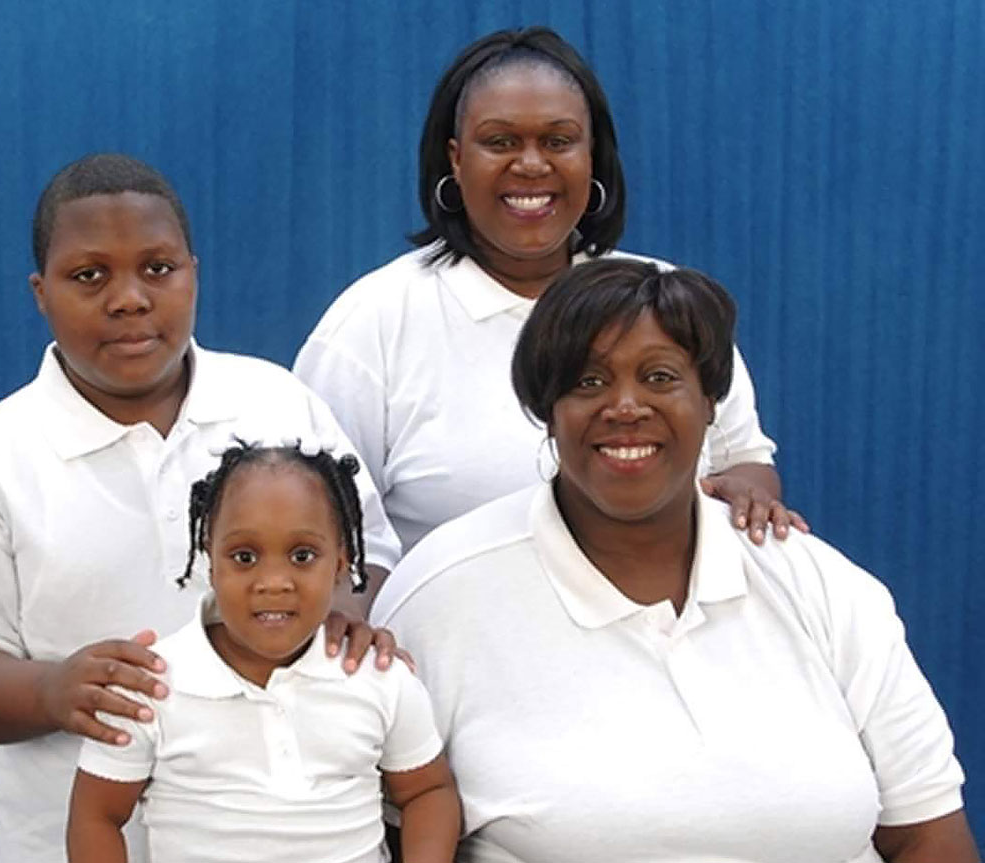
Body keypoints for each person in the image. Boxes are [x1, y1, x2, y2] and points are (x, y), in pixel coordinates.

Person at [370, 259, 976, 862]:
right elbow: (392, 832)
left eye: (660, 378)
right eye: (588, 382)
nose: (626, 406)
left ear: (712, 402)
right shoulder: (445, 595)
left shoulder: (823, 587)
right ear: (545, 409)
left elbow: (928, 835)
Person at [0, 154, 403, 863]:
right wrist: (50, 689)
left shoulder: (277, 404)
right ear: (41, 292)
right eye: (89, 275)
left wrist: (349, 607)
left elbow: (368, 550)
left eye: (158, 268)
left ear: (194, 271)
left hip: (302, 840)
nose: (129, 298)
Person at [294, 26, 806, 555]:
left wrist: (749, 495)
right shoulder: (373, 321)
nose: (533, 165)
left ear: (592, 156)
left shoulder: (661, 299)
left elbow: (742, 460)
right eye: (500, 142)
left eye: (558, 141)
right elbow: (319, 528)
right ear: (455, 158)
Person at [68, 441, 459, 863]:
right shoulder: (151, 684)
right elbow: (97, 814)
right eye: (245, 556)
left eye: (302, 555)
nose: (274, 581)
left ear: (341, 563)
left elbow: (427, 791)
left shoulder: (379, 676)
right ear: (209, 559)